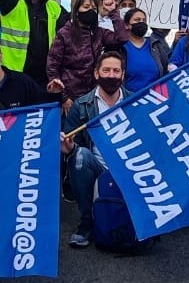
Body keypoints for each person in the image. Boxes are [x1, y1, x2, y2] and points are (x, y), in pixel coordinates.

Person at [60, 52, 131, 248]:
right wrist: (68, 148)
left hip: (130, 169)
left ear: (123, 75)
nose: (111, 75)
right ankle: (86, 222)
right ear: (96, 73)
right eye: (106, 70)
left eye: (116, 71)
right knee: (80, 156)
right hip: (98, 169)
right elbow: (69, 140)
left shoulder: (135, 103)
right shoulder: (81, 105)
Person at [47, 0, 128, 113]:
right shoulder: (64, 33)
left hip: (93, 96)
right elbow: (52, 65)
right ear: (77, 11)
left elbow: (122, 38)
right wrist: (64, 98)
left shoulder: (99, 33)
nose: (90, 10)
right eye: (86, 7)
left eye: (94, 8)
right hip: (70, 96)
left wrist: (113, 13)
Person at [122, 7, 169, 92]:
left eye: (144, 20)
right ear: (127, 25)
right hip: (130, 100)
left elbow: (166, 70)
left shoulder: (155, 45)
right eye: (137, 20)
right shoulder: (121, 48)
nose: (141, 23)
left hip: (156, 99)